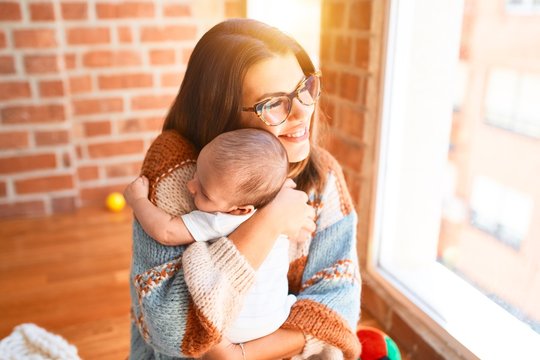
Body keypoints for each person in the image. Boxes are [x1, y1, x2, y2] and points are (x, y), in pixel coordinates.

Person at [130, 18, 361, 360]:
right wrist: (269, 221)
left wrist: (238, 354)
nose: (302, 112)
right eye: (274, 103)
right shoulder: (181, 174)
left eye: (304, 88)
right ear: (220, 114)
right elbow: (171, 329)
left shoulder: (322, 174)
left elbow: (340, 301)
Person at [124, 128, 300, 344]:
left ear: (240, 210)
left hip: (231, 324)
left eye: (205, 193)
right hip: (276, 317)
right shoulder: (275, 205)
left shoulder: (221, 219)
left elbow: (166, 232)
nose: (190, 185)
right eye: (197, 172)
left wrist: (138, 201)